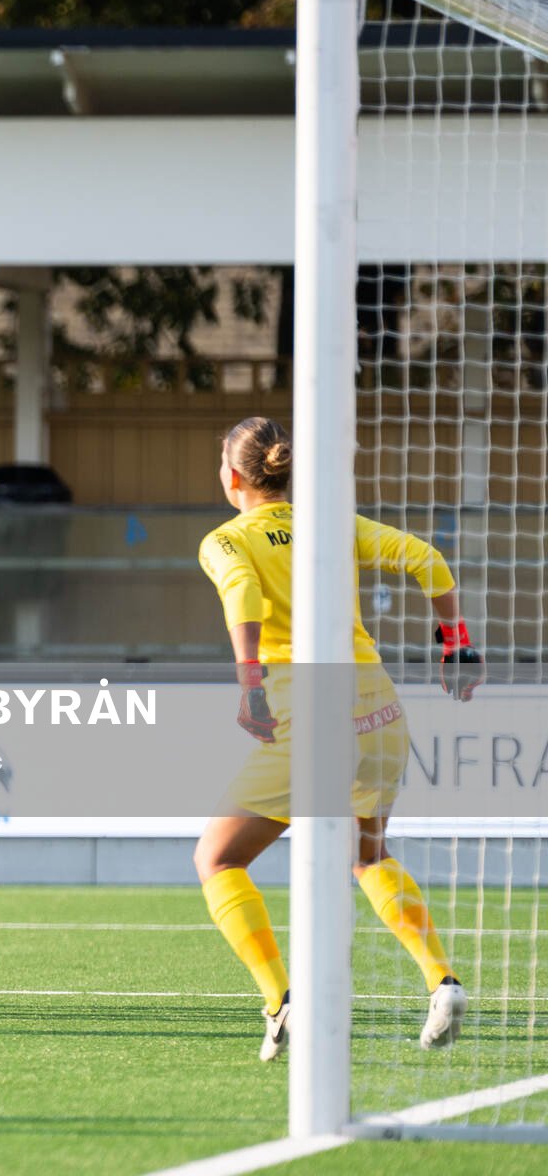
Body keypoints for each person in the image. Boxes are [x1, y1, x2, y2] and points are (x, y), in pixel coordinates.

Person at [195, 416, 482, 1061]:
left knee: (218, 859)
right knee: (368, 855)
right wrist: (456, 646)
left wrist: (249, 685)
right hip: (378, 710)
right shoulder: (332, 524)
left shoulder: (226, 540)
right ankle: (443, 981)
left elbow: (242, 592)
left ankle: (281, 1003)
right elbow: (427, 559)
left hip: (308, 715)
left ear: (234, 476)